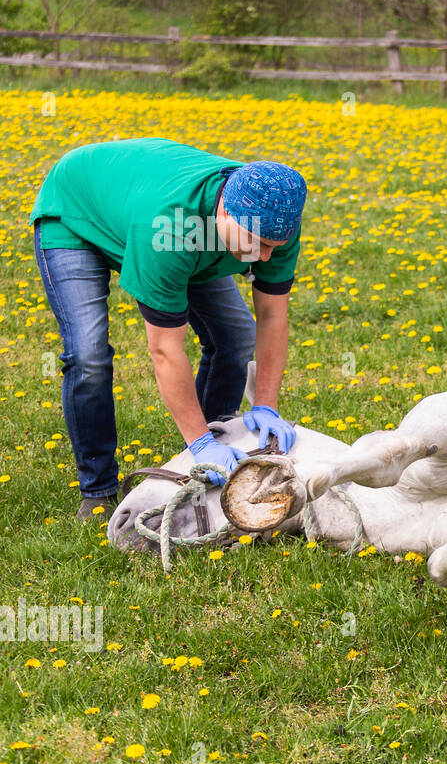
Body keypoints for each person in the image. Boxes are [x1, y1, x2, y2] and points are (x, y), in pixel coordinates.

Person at [31, 137, 306, 520]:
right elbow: (165, 349)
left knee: (235, 335)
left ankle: (211, 451)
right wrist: (199, 443)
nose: (264, 257)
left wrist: (266, 405)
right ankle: (98, 489)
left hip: (156, 212)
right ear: (224, 213)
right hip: (77, 212)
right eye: (256, 243)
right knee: (89, 355)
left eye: (273, 246)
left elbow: (273, 317)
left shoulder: (273, 223)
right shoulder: (170, 230)